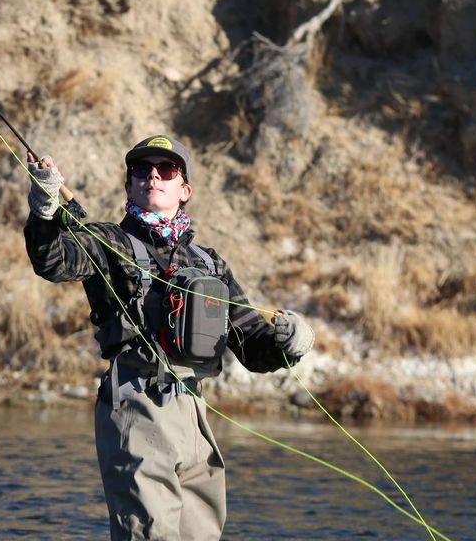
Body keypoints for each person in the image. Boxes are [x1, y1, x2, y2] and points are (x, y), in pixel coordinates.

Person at [24, 134, 315, 540]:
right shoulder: (107, 242)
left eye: (167, 170)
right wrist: (45, 209)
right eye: (142, 170)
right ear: (129, 185)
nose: (153, 176)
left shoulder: (209, 263)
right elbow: (53, 261)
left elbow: (252, 347)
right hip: (135, 402)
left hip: (193, 415)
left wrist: (292, 344)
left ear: (185, 190)